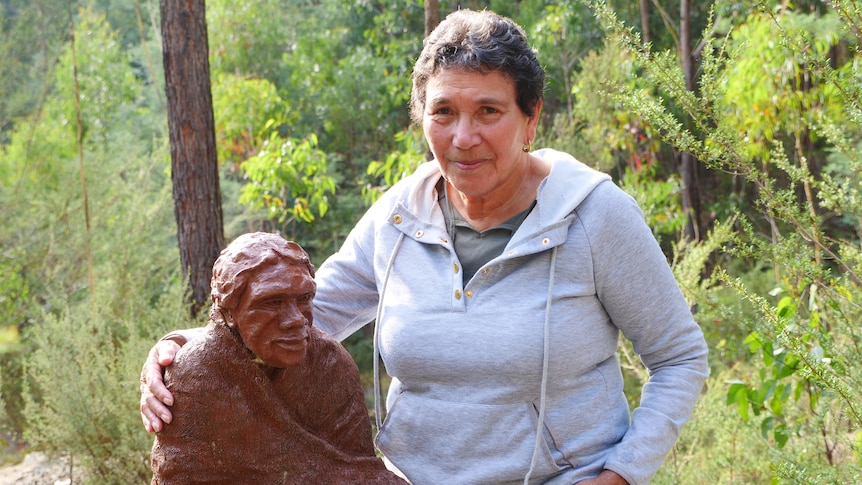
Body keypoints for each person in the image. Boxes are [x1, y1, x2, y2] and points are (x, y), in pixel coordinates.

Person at [141, 9, 708, 485]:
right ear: (423, 119)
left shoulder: (596, 216)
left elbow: (680, 358)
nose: (464, 137)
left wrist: (624, 473)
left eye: (489, 111)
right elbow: (310, 316)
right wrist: (182, 347)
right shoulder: (398, 216)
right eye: (444, 113)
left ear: (530, 118)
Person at [150, 233, 405, 484]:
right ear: (229, 313)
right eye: (272, 302)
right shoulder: (196, 373)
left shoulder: (330, 361)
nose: (296, 319)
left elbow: (360, 469)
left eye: (304, 299)